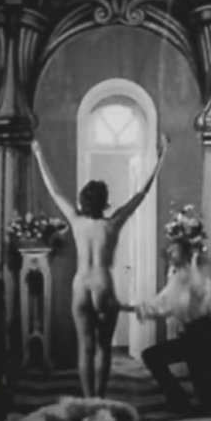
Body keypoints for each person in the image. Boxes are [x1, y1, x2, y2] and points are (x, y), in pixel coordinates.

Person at [31, 134, 168, 398]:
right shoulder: (113, 223)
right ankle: (101, 399)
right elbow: (141, 194)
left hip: (82, 285)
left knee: (86, 348)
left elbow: (55, 191)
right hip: (103, 285)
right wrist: (160, 158)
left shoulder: (76, 221)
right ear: (105, 201)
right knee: (104, 348)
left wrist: (38, 154)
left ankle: (88, 401)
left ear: (82, 201)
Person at [124, 238, 211, 412]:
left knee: (152, 356)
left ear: (186, 254)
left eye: (174, 250)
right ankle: (180, 398)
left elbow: (209, 296)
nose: (169, 254)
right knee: (202, 387)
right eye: (169, 250)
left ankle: (180, 399)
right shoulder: (177, 277)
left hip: (203, 334)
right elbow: (160, 304)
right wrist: (125, 307)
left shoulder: (192, 276)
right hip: (192, 335)